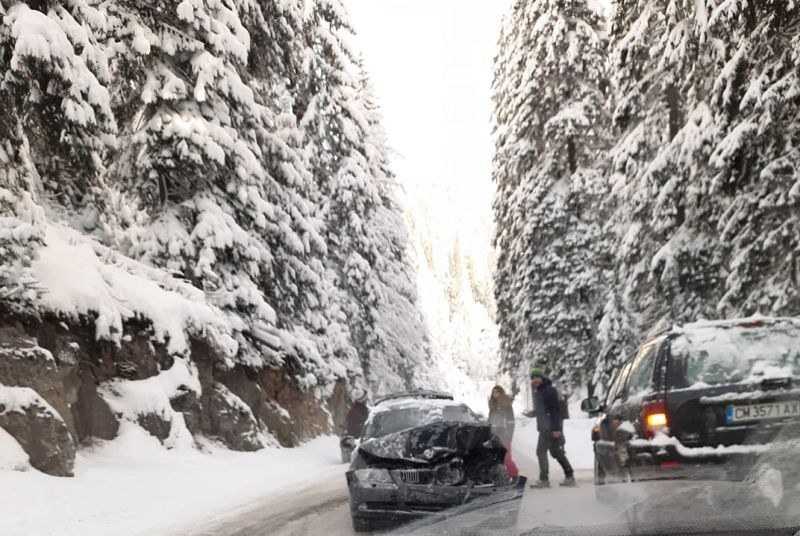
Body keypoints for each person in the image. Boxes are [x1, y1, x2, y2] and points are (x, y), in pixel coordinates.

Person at [529, 366, 575, 488]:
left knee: (541, 452)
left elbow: (554, 410)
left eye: (537, 377)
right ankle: (569, 475)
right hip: (546, 427)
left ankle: (544, 479)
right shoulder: (540, 391)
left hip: (549, 427)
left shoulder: (548, 390)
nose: (535, 380)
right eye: (533, 378)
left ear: (542, 378)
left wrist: (556, 429)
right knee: (555, 452)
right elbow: (544, 410)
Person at [488, 385, 520, 479]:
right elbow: (490, 422)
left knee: (506, 458)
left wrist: (508, 436)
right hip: (494, 436)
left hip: (504, 435)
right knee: (495, 459)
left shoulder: (507, 406)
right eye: (493, 392)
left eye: (497, 392)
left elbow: (511, 422)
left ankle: (514, 475)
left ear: (501, 393)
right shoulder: (492, 407)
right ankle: (500, 477)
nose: (495, 394)